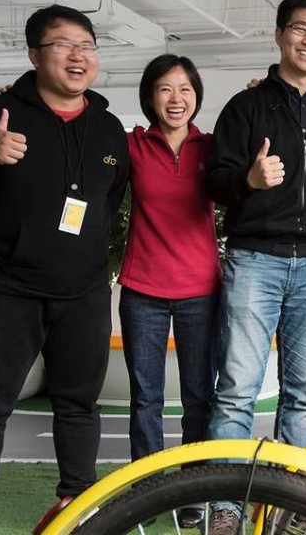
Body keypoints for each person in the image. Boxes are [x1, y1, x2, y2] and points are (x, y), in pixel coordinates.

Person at [0, 5, 129, 535]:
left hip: (84, 291)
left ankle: (77, 504)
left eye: (87, 46)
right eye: (63, 45)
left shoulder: (110, 129)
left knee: (79, 406)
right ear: (34, 55)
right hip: (4, 290)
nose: (78, 56)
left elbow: (109, 204)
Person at [204, 0, 306, 535]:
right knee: (236, 388)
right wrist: (247, 182)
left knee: (303, 394)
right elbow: (214, 181)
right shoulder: (245, 108)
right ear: (279, 35)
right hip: (255, 260)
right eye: (300, 29)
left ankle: (295, 505)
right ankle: (227, 506)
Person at [116, 54, 219, 530]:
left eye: (184, 89)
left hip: (201, 290)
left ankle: (194, 488)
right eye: (164, 89)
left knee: (200, 397)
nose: (176, 99)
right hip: (142, 289)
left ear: (196, 95)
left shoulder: (214, 148)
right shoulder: (132, 146)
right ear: (150, 96)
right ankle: (146, 487)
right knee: (146, 398)